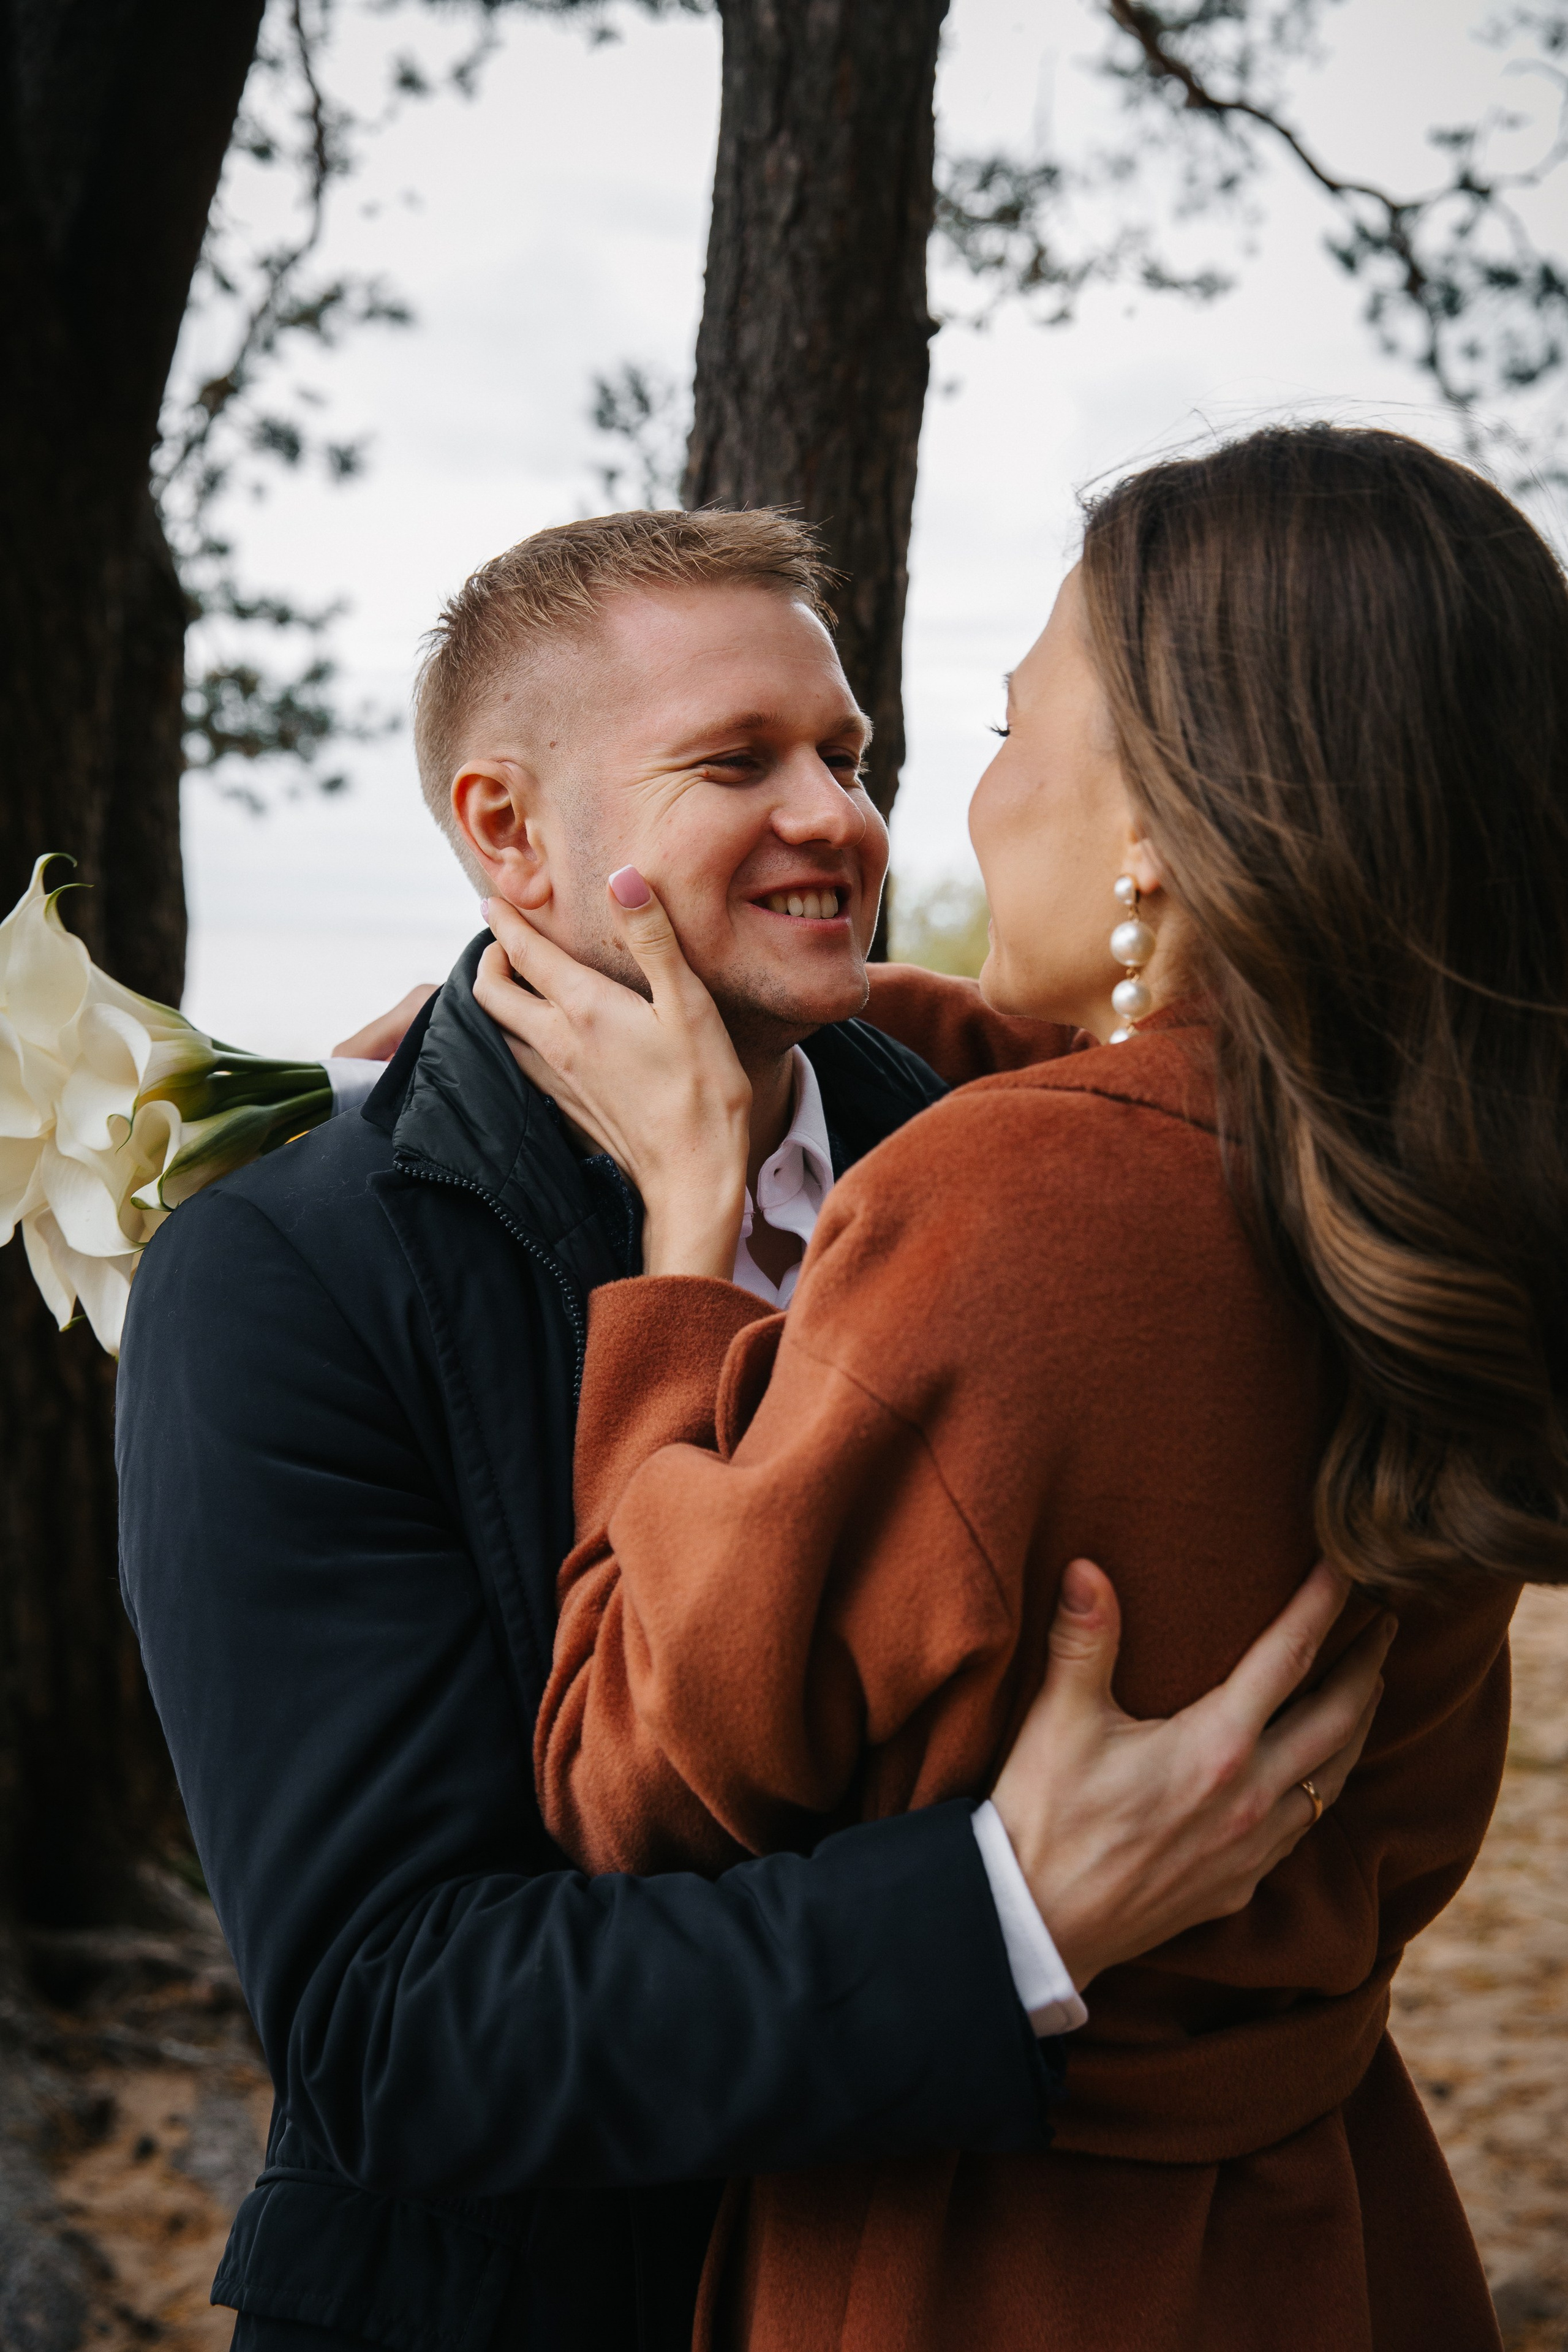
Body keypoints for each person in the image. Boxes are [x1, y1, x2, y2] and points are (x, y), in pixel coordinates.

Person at [117, 508, 1384, 2352]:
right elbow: (393, 2030)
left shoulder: (985, 1146)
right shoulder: (285, 1276)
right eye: (737, 762)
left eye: (850, 756)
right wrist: (1005, 1912)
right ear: (505, 832)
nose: (843, 820)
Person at [474, 431, 1564, 2351]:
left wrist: (677, 1253)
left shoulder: (1011, 1212)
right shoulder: (1440, 1187)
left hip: (998, 2261)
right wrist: (806, 1008)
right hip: (1343, 2228)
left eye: (990, 732)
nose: (946, 815)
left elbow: (628, 1782)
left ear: (1159, 807)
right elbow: (1143, 1095)